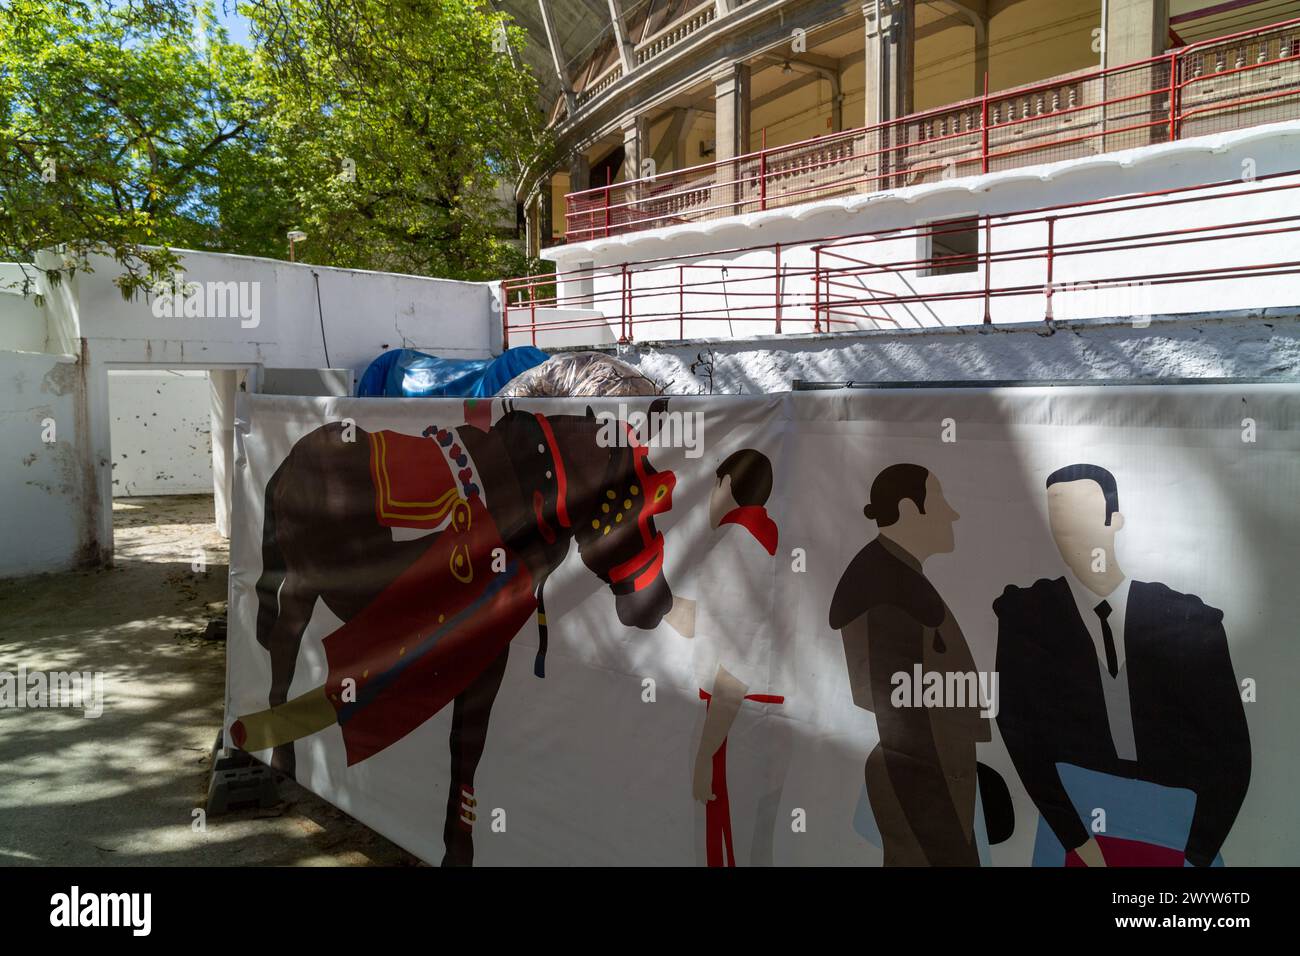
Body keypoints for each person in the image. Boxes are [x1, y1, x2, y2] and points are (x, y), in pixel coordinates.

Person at [994, 463, 1251, 867]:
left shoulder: (1185, 619)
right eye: (1057, 517)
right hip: (1074, 829)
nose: (1069, 530)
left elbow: (1230, 750)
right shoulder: (1026, 615)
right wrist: (1075, 839)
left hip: (1177, 828)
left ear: (1116, 520)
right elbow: (1017, 729)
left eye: (1082, 513)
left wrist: (1197, 852)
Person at [829, 464, 989, 866]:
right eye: (939, 500)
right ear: (907, 508)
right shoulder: (887, 593)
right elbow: (903, 720)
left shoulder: (896, 578)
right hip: (921, 780)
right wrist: (949, 841)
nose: (951, 513)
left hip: (929, 776)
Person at [665, 448, 782, 866]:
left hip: (733, 723)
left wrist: (705, 754)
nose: (711, 498)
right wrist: (657, 604)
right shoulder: (765, 539)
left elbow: (734, 663)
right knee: (752, 847)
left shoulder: (732, 545)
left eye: (714, 486)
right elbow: (714, 623)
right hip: (763, 720)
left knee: (722, 847)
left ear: (728, 485)